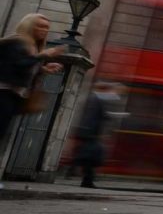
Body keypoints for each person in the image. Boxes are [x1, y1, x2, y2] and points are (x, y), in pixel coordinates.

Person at [0, 13, 64, 190]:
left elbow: (22, 67)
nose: (44, 30)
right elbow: (16, 64)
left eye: (46, 27)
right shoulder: (16, 42)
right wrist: (42, 55)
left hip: (12, 95)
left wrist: (43, 69)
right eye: (40, 25)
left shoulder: (31, 46)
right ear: (29, 26)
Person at [71, 81, 126, 188]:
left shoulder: (95, 98)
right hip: (91, 133)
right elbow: (102, 115)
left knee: (90, 157)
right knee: (91, 157)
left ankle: (87, 180)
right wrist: (118, 115)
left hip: (89, 132)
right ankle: (86, 179)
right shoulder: (96, 99)